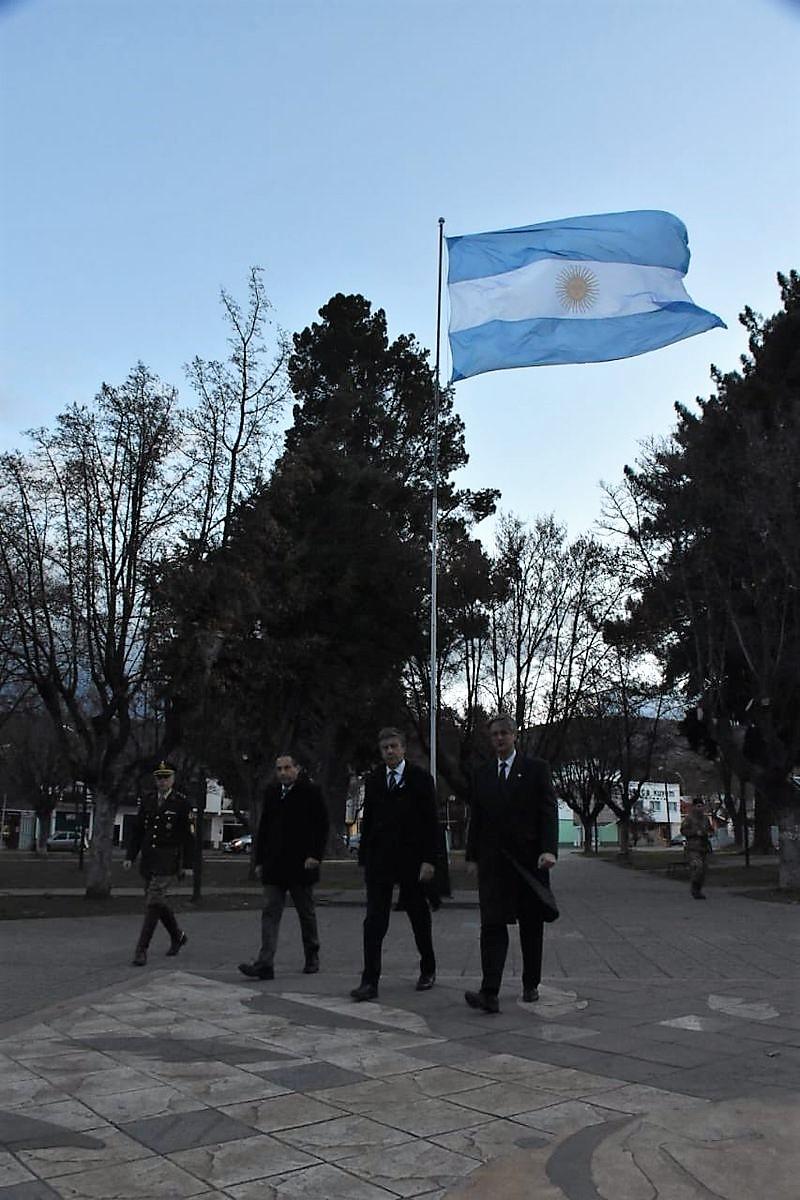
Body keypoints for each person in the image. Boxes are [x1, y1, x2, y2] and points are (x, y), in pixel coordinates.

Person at [464, 715, 558, 1014]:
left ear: (515, 736)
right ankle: (488, 991)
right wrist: (472, 856)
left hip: (529, 863)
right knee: (491, 925)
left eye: (505, 733)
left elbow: (548, 812)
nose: (500, 739)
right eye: (494, 734)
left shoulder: (535, 769)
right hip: (494, 863)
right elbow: (476, 817)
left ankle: (531, 983)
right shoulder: (482, 773)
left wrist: (548, 850)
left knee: (530, 926)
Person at [350, 727, 438, 1001]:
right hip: (380, 860)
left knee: (418, 916)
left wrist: (429, 860)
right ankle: (369, 980)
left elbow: (430, 823)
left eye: (394, 747)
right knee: (374, 921)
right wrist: (364, 857)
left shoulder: (421, 779)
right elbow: (370, 819)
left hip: (411, 859)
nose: (389, 751)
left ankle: (428, 968)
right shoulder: (375, 780)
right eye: (385, 747)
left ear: (403, 749)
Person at [239, 753, 329, 980]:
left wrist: (315, 855)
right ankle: (265, 963)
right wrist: (259, 860)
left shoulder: (310, 792)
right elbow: (265, 828)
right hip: (274, 865)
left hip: (301, 865)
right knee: (270, 912)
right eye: (279, 768)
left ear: (297, 769)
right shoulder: (271, 793)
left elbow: (321, 826)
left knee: (305, 913)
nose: (283, 773)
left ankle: (312, 955)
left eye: (287, 768)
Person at [124, 761, 194, 966]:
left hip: (167, 858)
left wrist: (188, 864)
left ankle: (141, 949)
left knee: (153, 901)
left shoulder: (181, 803)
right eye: (159, 778)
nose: (162, 781)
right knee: (157, 901)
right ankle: (178, 936)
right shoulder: (147, 800)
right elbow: (138, 830)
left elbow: (189, 837)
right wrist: (130, 855)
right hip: (148, 858)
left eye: (166, 777)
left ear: (173, 779)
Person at [680, 797, 714, 899]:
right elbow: (683, 831)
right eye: (698, 806)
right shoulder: (689, 818)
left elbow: (711, 830)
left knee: (703, 870)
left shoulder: (705, 819)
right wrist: (695, 833)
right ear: (694, 807)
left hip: (704, 847)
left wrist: (710, 833)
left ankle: (698, 889)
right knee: (697, 867)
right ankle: (694, 888)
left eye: (701, 806)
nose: (700, 808)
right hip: (693, 847)